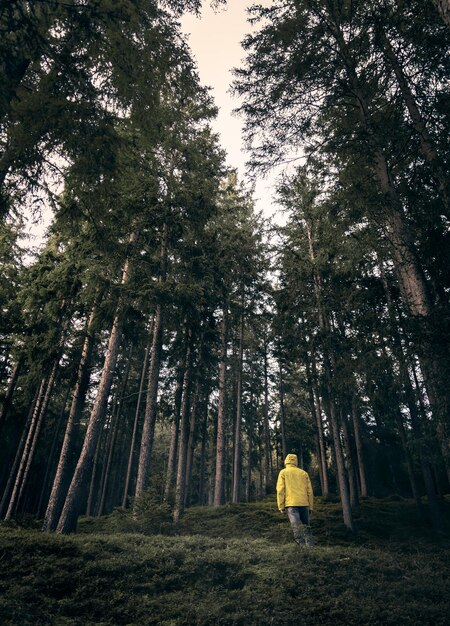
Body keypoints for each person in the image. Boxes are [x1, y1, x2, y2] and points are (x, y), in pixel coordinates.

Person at [276, 453, 314, 547]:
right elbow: (310, 491)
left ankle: (301, 549)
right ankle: (311, 549)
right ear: (296, 461)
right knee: (306, 527)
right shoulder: (303, 473)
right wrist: (311, 507)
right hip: (304, 504)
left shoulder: (283, 472)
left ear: (286, 461)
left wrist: (281, 506)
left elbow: (280, 490)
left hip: (291, 504)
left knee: (296, 528)